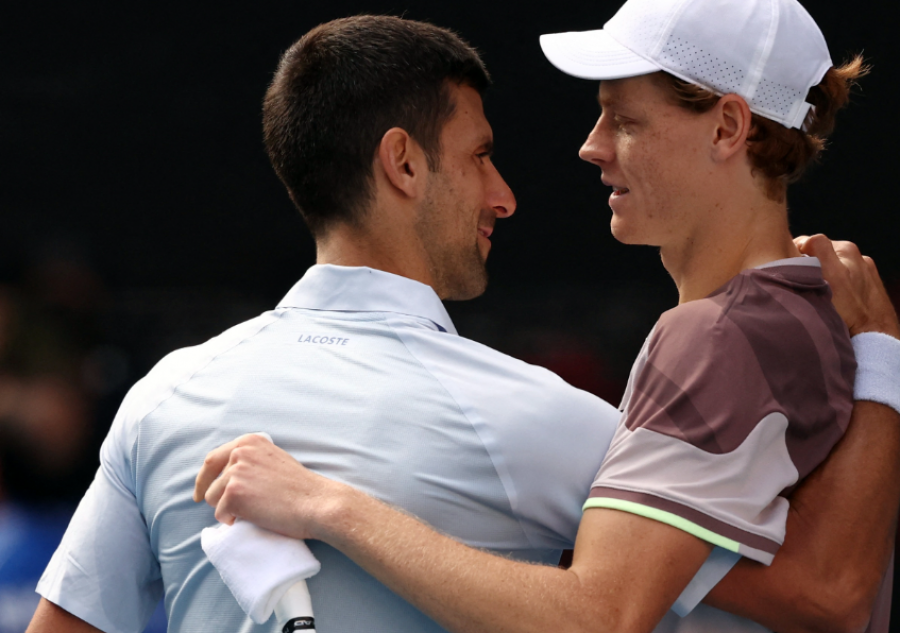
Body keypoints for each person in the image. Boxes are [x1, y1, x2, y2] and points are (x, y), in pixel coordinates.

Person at [192, 3, 900, 633]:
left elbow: (597, 616)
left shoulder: (713, 335)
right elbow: (813, 589)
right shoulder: (818, 314)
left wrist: (326, 504)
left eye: (624, 120)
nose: (590, 145)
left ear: (727, 126)